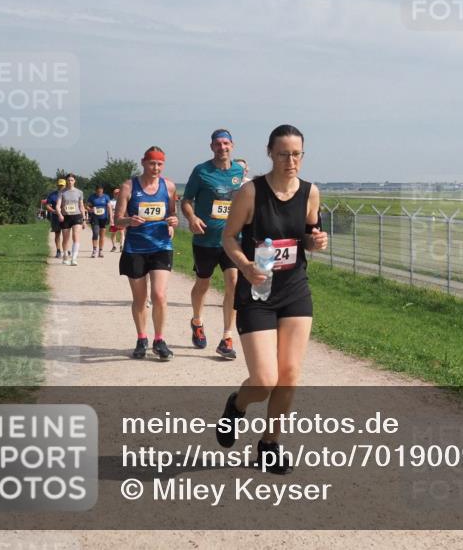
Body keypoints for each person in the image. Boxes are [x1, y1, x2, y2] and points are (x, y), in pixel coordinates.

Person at [217, 125, 327, 473]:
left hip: (294, 290)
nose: (290, 160)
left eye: (296, 154)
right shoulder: (251, 192)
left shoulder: (311, 193)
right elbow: (229, 238)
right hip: (257, 292)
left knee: (290, 374)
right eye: (283, 153)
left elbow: (307, 235)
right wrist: (247, 266)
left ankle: (269, 444)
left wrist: (315, 242)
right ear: (270, 153)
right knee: (264, 380)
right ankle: (236, 405)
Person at [181, 129, 245, 360]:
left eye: (226, 143)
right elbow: (186, 201)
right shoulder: (201, 171)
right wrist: (191, 217)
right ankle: (197, 321)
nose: (222, 147)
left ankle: (227, 337)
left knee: (233, 283)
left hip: (232, 240)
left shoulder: (239, 171)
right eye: (218, 144)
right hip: (206, 240)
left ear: (232, 145)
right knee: (203, 284)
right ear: (212, 147)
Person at [115, 147, 180, 361]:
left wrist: (173, 222)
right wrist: (129, 221)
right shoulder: (129, 186)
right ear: (143, 162)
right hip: (135, 249)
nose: (155, 168)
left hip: (161, 246)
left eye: (160, 164)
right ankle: (141, 338)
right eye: (152, 163)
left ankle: (159, 340)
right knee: (140, 299)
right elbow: (117, 220)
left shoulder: (168, 186)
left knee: (159, 295)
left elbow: (172, 213)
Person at [56, 174, 85, 266]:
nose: (70, 182)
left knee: (76, 236)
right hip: (65, 217)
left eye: (72, 180)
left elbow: (81, 206)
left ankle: (74, 258)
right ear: (66, 181)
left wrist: (84, 218)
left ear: (75, 181)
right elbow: (57, 206)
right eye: (68, 180)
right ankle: (65, 256)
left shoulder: (79, 192)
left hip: (77, 216)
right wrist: (60, 214)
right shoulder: (62, 192)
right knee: (66, 239)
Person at [86, 185, 113, 258]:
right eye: (98, 192)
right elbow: (87, 206)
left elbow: (109, 207)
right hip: (95, 218)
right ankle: (94, 250)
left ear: (103, 191)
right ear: (96, 191)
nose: (99, 193)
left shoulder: (106, 197)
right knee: (95, 233)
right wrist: (90, 209)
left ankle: (100, 251)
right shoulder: (92, 197)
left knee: (102, 235)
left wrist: (111, 218)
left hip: (103, 218)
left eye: (101, 191)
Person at [45, 179, 66, 258]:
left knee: (65, 234)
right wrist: (54, 211)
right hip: (55, 217)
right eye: (59, 185)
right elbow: (47, 205)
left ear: (65, 185)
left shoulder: (68, 194)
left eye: (62, 185)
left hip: (66, 216)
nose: (61, 187)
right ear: (57, 185)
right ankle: (58, 251)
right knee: (57, 234)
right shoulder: (52, 195)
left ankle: (65, 249)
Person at [108, 187, 124, 252]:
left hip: (121, 219)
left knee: (122, 232)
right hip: (114, 219)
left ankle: (121, 246)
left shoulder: (123, 201)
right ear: (114, 194)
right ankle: (114, 246)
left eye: (118, 193)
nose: (117, 194)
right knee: (114, 233)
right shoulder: (111, 202)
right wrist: (111, 219)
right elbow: (110, 211)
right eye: (116, 193)